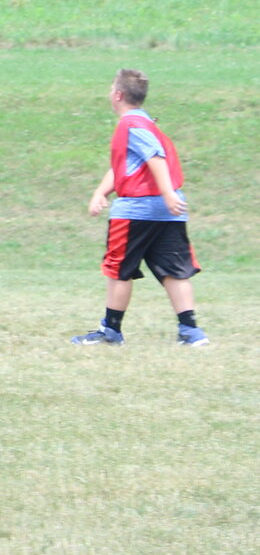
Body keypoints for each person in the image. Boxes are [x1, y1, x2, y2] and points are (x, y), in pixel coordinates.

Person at [73, 68, 208, 346]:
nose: (110, 93)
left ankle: (111, 331)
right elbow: (126, 166)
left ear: (119, 95)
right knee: (174, 269)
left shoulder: (130, 124)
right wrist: (101, 192)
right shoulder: (147, 123)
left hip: (137, 210)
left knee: (119, 269)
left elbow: (155, 157)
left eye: (111, 89)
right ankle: (191, 331)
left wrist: (167, 192)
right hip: (169, 212)